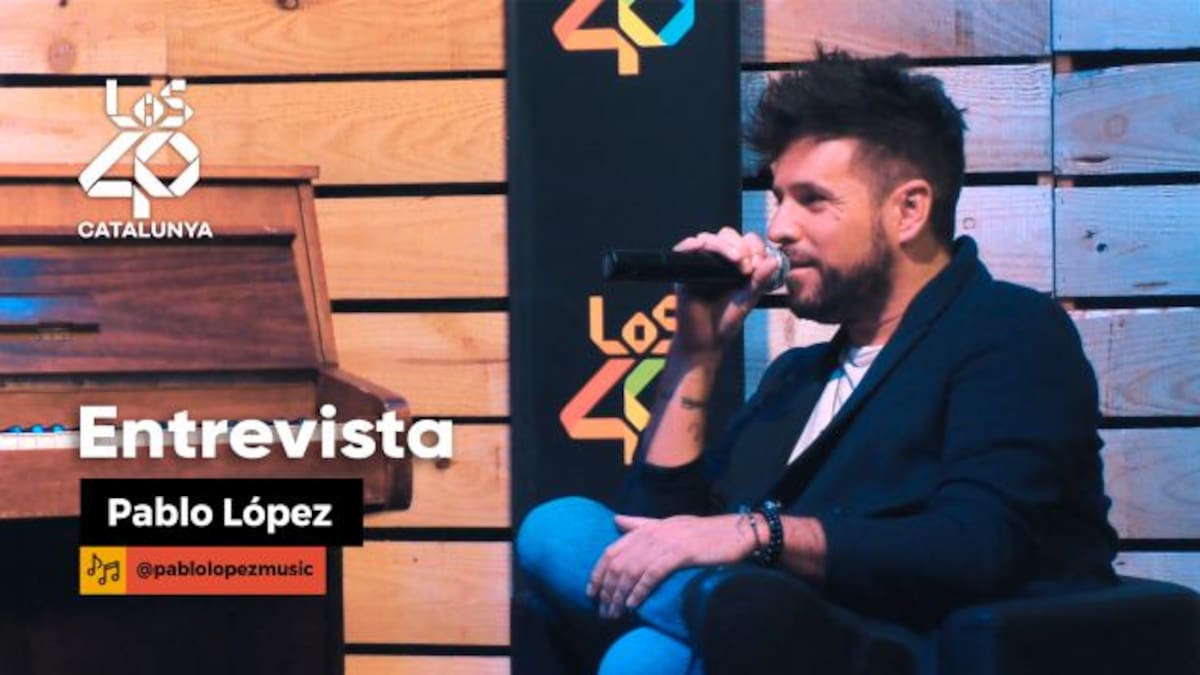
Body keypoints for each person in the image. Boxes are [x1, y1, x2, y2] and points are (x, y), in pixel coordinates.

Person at [516, 48, 1118, 675]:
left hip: (917, 644)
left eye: (812, 200)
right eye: (778, 197)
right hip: (766, 641)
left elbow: (977, 544)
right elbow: (659, 534)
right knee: (557, 528)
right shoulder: (796, 378)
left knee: (649, 654)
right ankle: (725, 611)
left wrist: (758, 533)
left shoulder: (1009, 331)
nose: (778, 227)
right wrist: (696, 351)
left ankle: (747, 618)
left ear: (908, 210)